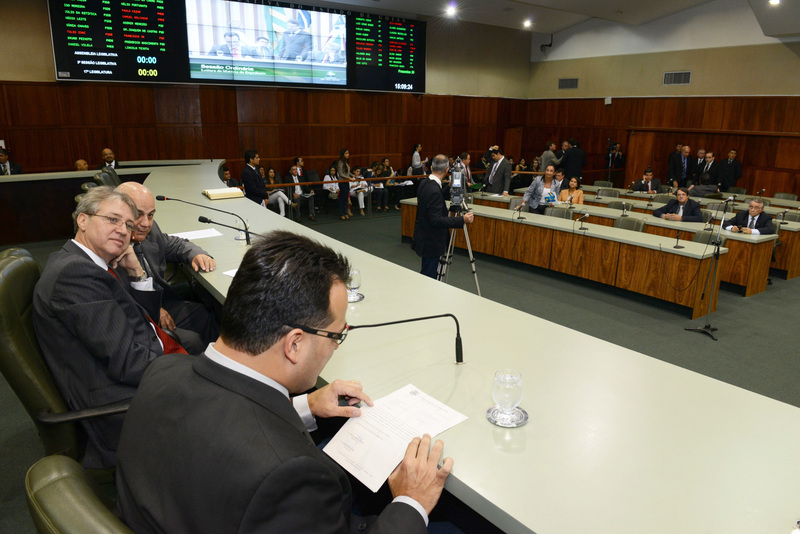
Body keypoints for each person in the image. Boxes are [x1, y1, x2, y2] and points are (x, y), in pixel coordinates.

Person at [116, 231, 453, 533]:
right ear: (294, 344)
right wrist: (411, 501)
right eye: (336, 335)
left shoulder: (163, 371)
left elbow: (226, 417)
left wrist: (305, 405)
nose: (336, 346)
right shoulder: (288, 476)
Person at [32, 186, 186, 469]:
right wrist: (185, 371)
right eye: (112, 219)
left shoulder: (89, 261)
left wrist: (136, 271)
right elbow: (128, 362)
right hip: (119, 405)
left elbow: (140, 319)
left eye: (128, 225)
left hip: (133, 369)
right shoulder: (75, 274)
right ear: (82, 220)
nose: (123, 231)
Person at [116, 182, 219, 354]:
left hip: (162, 301)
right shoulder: (112, 245)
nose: (145, 223)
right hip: (136, 314)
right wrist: (154, 309)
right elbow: (118, 298)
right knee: (193, 342)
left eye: (150, 215)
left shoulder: (149, 229)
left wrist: (196, 254)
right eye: (138, 214)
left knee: (205, 315)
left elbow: (174, 244)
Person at [413, 154, 474, 278]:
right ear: (447, 170)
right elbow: (436, 220)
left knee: (426, 271)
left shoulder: (425, 183)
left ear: (431, 168)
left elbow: (434, 199)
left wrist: (448, 187)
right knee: (429, 275)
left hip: (424, 236)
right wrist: (462, 219)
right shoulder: (434, 190)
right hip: (432, 241)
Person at [336, 148, 354, 221]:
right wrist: (348, 177)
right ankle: (342, 213)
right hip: (342, 182)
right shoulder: (340, 162)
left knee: (346, 198)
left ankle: (345, 212)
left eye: (348, 153)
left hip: (346, 182)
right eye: (346, 153)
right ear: (342, 154)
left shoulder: (346, 162)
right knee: (342, 198)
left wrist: (353, 175)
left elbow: (347, 172)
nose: (348, 154)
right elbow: (341, 173)